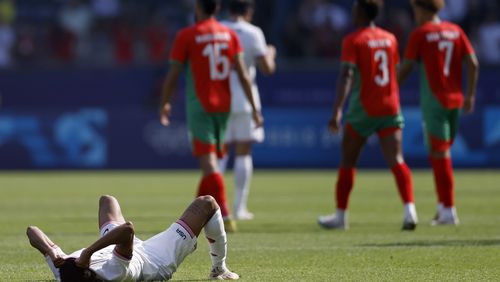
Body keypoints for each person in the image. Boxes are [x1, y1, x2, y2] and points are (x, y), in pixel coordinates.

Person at [159, 0, 263, 232]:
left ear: (198, 9)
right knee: (211, 163)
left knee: (210, 165)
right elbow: (244, 75)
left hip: (201, 107)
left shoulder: (187, 35)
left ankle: (225, 214)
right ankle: (191, 218)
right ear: (217, 9)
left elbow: (174, 73)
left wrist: (165, 102)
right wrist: (255, 110)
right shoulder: (229, 35)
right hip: (223, 107)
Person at [317, 0, 418, 231]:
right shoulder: (390, 38)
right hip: (390, 106)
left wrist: (337, 110)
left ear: (361, 12)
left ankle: (341, 216)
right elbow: (395, 69)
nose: (352, 11)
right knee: (397, 160)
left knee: (348, 162)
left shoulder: (354, 40)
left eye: (354, 8)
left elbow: (346, 76)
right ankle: (410, 211)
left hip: (364, 109)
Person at [27, 195, 240, 281]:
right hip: (155, 259)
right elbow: (128, 230)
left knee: (107, 200)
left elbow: (31, 230)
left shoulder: (64, 272)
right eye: (83, 264)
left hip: (117, 246)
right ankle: (218, 268)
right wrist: (88, 253)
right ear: (89, 271)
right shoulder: (113, 274)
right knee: (207, 203)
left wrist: (51, 251)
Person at [398, 0, 479, 225]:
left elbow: (406, 67)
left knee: (441, 155)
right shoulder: (455, 31)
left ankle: (449, 211)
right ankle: (443, 206)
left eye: (414, 9)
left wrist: (390, 87)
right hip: (455, 100)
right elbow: (473, 63)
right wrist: (470, 95)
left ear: (423, 9)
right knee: (438, 153)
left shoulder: (420, 34)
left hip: (434, 102)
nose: (414, 13)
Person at [218, 0, 276, 220]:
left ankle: (218, 207)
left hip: (220, 99)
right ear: (249, 11)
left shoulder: (220, 30)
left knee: (220, 154)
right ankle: (239, 208)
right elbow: (267, 68)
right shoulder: (253, 33)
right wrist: (271, 52)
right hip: (244, 98)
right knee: (243, 151)